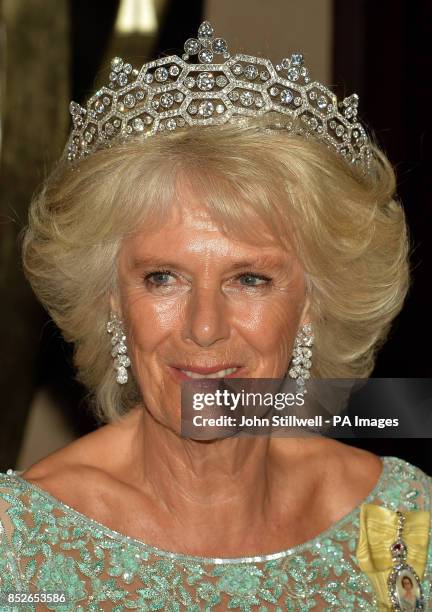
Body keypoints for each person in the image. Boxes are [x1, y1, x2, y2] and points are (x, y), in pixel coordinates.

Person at [0, 20, 430, 611]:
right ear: (112, 301)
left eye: (250, 279)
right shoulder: (21, 545)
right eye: (162, 278)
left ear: (312, 304)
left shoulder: (397, 519)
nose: (205, 328)